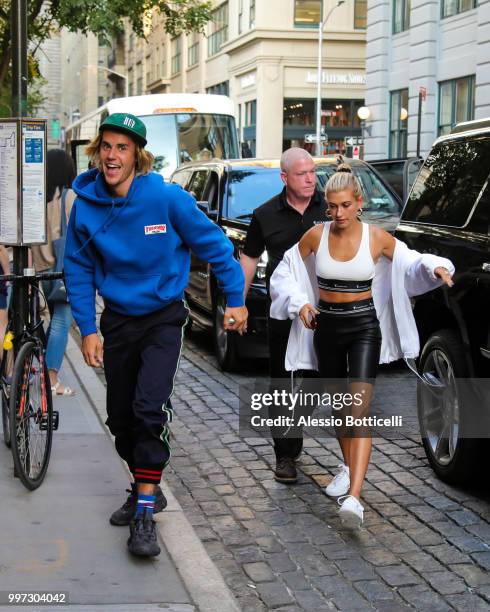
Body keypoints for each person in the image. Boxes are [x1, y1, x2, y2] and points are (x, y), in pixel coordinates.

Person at [64, 113, 247, 558]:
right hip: (119, 321)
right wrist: (88, 328)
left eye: (122, 148)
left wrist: (237, 299)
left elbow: (217, 247)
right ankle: (146, 485)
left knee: (149, 408)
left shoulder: (167, 199)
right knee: (120, 418)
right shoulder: (85, 205)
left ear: (137, 155)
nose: (112, 156)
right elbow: (79, 267)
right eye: (106, 146)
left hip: (164, 318)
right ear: (97, 152)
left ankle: (145, 508)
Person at [270, 164, 455, 528]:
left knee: (358, 409)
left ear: (359, 202)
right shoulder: (315, 236)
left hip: (364, 328)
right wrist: (301, 304)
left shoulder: (376, 238)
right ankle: (347, 467)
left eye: (344, 205)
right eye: (331, 206)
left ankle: (354, 496)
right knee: (340, 408)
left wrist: (435, 267)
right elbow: (284, 271)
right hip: (326, 328)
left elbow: (410, 262)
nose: (337, 213)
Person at [241, 147, 326, 484]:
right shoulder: (265, 214)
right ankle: (285, 456)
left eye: (312, 172)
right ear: (284, 178)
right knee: (281, 382)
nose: (310, 179)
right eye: (302, 173)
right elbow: (249, 259)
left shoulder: (329, 208)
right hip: (282, 311)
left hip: (324, 309)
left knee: (321, 376)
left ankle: (296, 422)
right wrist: (239, 302)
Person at [31, 149, 77, 396]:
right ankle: (51, 379)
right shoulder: (69, 197)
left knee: (47, 322)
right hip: (62, 272)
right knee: (61, 321)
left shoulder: (36, 198)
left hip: (39, 271)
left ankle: (39, 364)